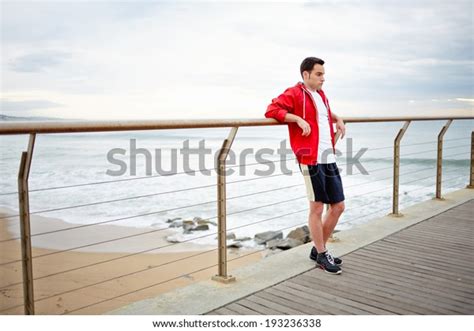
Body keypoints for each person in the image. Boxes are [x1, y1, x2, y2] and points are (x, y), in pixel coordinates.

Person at [265, 57, 346, 275]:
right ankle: (321, 253)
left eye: (323, 74)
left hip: (328, 156)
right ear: (305, 75)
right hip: (310, 157)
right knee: (317, 208)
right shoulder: (294, 93)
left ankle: (317, 250)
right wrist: (297, 120)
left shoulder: (321, 95)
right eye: (319, 74)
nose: (323, 78)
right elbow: (272, 110)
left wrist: (337, 118)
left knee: (338, 206)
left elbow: (322, 114)